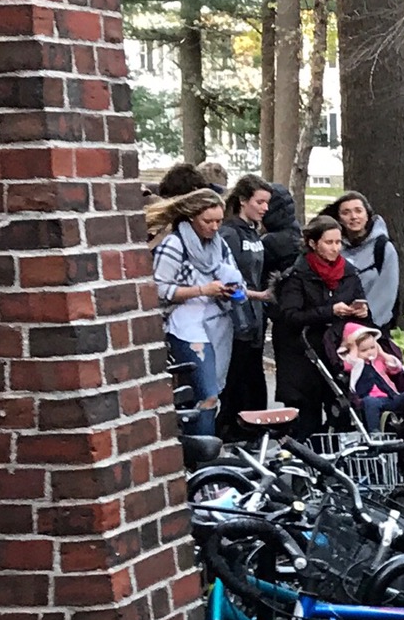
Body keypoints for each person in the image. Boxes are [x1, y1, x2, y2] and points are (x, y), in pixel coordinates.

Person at [150, 188, 240, 440]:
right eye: (207, 221)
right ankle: (201, 451)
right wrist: (202, 289)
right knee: (206, 393)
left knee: (213, 394)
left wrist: (231, 289)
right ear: (191, 217)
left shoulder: (219, 244)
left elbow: (232, 273)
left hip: (217, 324)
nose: (214, 227)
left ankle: (198, 444)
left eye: (219, 221)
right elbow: (158, 289)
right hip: (186, 326)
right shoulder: (174, 244)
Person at [270, 213, 371, 432]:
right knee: (307, 422)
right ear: (313, 244)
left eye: (338, 242)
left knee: (341, 415)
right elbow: (290, 317)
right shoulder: (296, 276)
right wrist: (329, 311)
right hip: (303, 357)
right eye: (329, 243)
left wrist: (361, 312)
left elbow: (361, 306)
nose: (335, 248)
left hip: (337, 354)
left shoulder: (349, 273)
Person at [216, 175, 276, 435]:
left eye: (267, 203)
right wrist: (257, 295)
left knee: (252, 374)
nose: (265, 208)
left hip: (255, 318)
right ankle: (230, 428)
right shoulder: (229, 233)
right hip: (236, 315)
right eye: (259, 202)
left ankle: (254, 428)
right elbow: (225, 279)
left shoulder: (254, 233)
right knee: (236, 376)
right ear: (243, 201)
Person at [324, 190, 402, 329]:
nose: (353, 217)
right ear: (339, 218)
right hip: (338, 326)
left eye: (358, 211)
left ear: (367, 215)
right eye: (346, 212)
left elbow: (386, 294)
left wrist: (366, 325)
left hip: (372, 327)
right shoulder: (335, 248)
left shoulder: (383, 248)